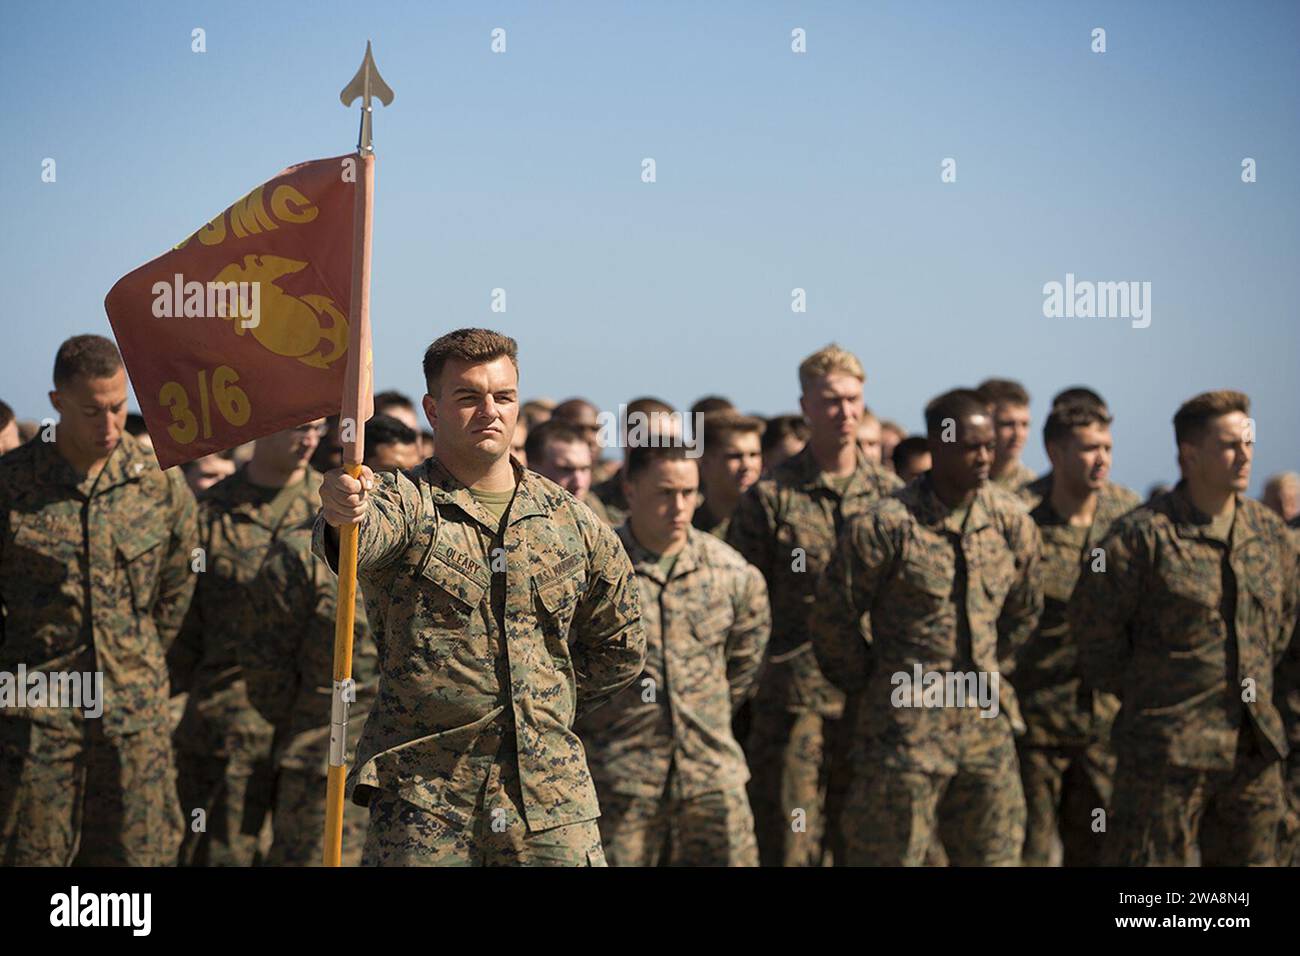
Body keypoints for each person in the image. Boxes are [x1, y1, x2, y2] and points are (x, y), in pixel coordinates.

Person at [314, 327, 646, 866]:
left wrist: (543, 702)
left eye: (503, 396)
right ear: (433, 409)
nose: (489, 410)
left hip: (551, 801)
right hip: (426, 799)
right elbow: (361, 536)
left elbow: (621, 645)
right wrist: (342, 510)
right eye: (468, 397)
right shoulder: (406, 502)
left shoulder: (574, 522)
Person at [812, 388, 1042, 866]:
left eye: (989, 446)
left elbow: (1023, 611)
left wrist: (992, 668)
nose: (982, 458)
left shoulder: (1011, 523)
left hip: (985, 729)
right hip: (902, 738)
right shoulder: (886, 525)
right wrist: (874, 682)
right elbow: (833, 616)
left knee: (996, 857)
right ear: (939, 445)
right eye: (969, 447)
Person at [1071, 389, 1299, 866]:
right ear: (1190, 454)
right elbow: (1095, 636)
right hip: (1165, 757)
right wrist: (1154, 697)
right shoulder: (1141, 537)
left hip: (1252, 752)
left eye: (1249, 442)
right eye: (1229, 445)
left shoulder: (1270, 534)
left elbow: (1283, 627)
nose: (1245, 455)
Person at [0, 334, 197, 865]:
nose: (109, 426)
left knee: (139, 859)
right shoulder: (12, 486)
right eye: (92, 411)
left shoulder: (158, 484)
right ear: (57, 402)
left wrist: (138, 654)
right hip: (36, 718)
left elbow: (178, 585)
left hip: (134, 718)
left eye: (118, 408)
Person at [726, 344, 902, 867]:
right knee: (789, 840)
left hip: (872, 698)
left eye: (853, 400)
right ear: (805, 405)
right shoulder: (772, 497)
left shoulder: (893, 498)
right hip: (791, 699)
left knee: (865, 841)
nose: (844, 412)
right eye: (830, 401)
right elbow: (743, 602)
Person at [577, 444, 769, 865]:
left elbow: (742, 668)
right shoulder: (594, 571)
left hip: (710, 775)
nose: (679, 506)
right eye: (665, 493)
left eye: (689, 492)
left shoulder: (733, 574)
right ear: (630, 490)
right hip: (622, 778)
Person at [171, 421, 325, 866]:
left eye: (317, 428)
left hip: (312, 728)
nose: (310, 439)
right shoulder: (211, 513)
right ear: (264, 425)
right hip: (228, 727)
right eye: (299, 427)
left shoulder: (333, 510)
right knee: (220, 856)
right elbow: (180, 620)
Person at [1014, 395, 1139, 866]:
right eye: (1088, 448)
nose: (1101, 458)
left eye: (1106, 446)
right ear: (1055, 452)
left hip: (1103, 726)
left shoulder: (1128, 518)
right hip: (1035, 725)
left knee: (1101, 851)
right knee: (1030, 852)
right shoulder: (1020, 518)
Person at [242, 519, 378, 866]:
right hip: (324, 761)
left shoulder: (431, 534)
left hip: (412, 771)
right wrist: (310, 718)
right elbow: (266, 666)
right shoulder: (304, 551)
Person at [590, 397, 680, 526]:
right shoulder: (592, 505)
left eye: (675, 443)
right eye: (658, 442)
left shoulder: (691, 505)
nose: (669, 451)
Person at [525, 418, 611, 524]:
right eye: (566, 470)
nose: (579, 482)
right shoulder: (519, 517)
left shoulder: (596, 514)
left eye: (585, 469)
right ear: (533, 469)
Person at [694, 411, 763, 540]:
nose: (747, 466)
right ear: (705, 463)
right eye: (734, 456)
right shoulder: (685, 530)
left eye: (754, 455)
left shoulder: (772, 528)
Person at [978, 378, 1036, 490]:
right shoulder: (957, 483)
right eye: (1007, 424)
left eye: (1025, 424)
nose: (1018, 434)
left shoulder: (1034, 490)